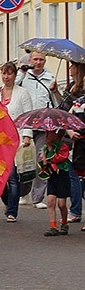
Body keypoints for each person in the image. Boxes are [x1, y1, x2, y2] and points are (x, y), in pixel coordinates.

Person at [18, 52, 62, 209]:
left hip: (43, 124)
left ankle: (37, 197)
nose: (38, 62)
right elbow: (12, 87)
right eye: (35, 59)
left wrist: (55, 90)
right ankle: (23, 193)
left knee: (40, 159)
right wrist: (21, 72)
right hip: (27, 122)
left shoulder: (50, 78)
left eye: (41, 60)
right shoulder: (24, 76)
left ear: (45, 61)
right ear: (30, 60)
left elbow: (58, 102)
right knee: (24, 159)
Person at [0, 62, 33, 222]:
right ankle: (7, 201)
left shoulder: (22, 93)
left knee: (12, 177)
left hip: (15, 139)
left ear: (15, 75)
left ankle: (12, 211)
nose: (6, 77)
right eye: (4, 73)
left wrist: (27, 135)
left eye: (9, 73)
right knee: (0, 178)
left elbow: (28, 115)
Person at [57, 61, 85, 223]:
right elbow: (64, 110)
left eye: (72, 65)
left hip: (80, 137)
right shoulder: (71, 87)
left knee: (77, 175)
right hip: (70, 135)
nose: (69, 69)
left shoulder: (81, 90)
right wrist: (55, 92)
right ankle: (76, 209)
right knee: (74, 175)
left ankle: (76, 210)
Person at [39, 129, 71, 236]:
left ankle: (64, 223)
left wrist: (49, 156)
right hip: (52, 176)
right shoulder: (45, 148)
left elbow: (60, 157)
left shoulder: (62, 146)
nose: (47, 136)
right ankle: (53, 226)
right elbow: (43, 162)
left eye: (50, 134)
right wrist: (43, 160)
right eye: (47, 134)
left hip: (62, 175)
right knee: (51, 201)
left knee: (61, 204)